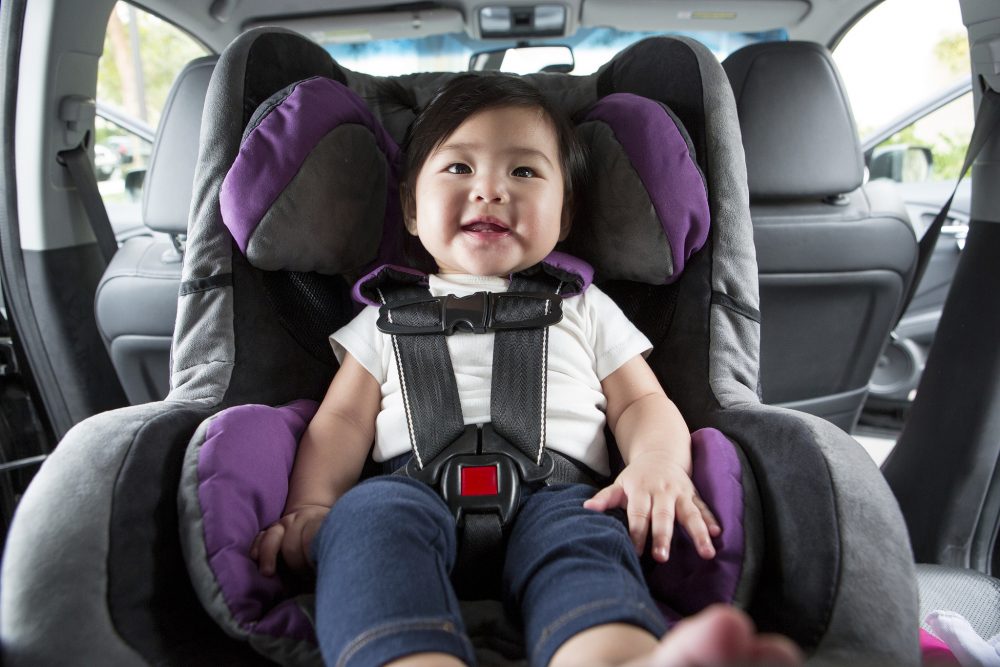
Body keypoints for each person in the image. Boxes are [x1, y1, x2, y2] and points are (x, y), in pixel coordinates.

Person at [251, 74, 801, 667]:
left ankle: (614, 656)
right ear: (412, 209)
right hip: (405, 493)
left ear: (563, 218)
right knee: (363, 528)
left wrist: (657, 463)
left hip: (561, 496)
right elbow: (341, 420)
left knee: (589, 545)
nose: (490, 190)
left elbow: (641, 403)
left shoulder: (582, 305)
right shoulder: (382, 316)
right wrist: (313, 505)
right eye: (459, 168)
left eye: (524, 172)